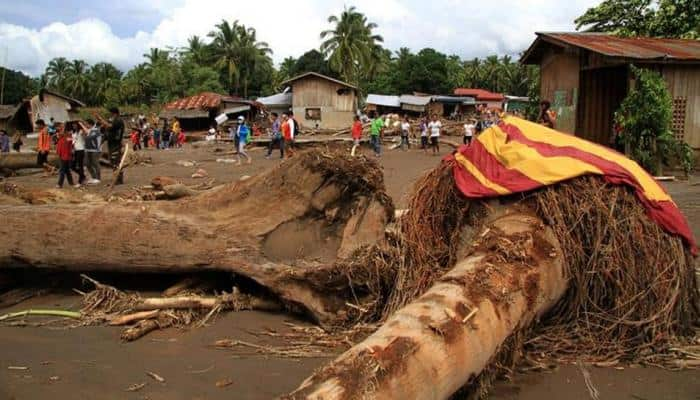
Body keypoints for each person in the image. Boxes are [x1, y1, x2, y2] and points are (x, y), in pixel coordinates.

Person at [94, 107, 125, 184]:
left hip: (116, 143)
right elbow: (107, 128)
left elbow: (109, 126)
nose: (110, 115)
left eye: (111, 113)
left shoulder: (118, 120)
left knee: (115, 161)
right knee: (113, 161)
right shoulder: (114, 120)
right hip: (112, 143)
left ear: (114, 113)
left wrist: (100, 119)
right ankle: (117, 178)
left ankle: (118, 179)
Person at [81, 119, 102, 184]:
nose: (86, 125)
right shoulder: (88, 130)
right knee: (87, 164)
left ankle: (98, 178)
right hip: (88, 149)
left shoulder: (96, 130)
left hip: (95, 150)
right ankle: (94, 177)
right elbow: (85, 138)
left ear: (90, 124)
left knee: (95, 163)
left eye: (86, 124)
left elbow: (91, 137)